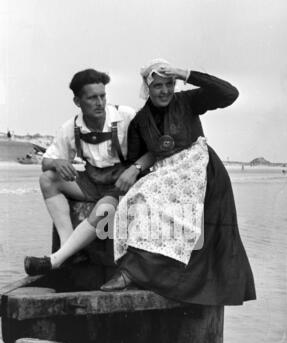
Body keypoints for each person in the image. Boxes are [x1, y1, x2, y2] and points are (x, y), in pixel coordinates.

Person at [100, 59, 256, 306]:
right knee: (137, 199)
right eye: (158, 85)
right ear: (147, 88)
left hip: (200, 170)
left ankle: (133, 273)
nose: (164, 91)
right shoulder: (140, 121)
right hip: (167, 175)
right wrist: (136, 169)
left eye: (169, 83)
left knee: (153, 197)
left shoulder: (188, 102)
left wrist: (186, 73)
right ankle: (133, 269)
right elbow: (137, 162)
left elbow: (229, 93)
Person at [24, 68, 145, 275]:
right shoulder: (70, 127)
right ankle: (67, 247)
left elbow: (150, 148)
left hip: (121, 183)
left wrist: (135, 169)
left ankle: (57, 259)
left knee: (103, 210)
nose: (100, 102)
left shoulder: (125, 116)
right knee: (48, 179)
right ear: (78, 102)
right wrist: (57, 162)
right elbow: (46, 161)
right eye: (92, 98)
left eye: (102, 96)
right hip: (92, 181)